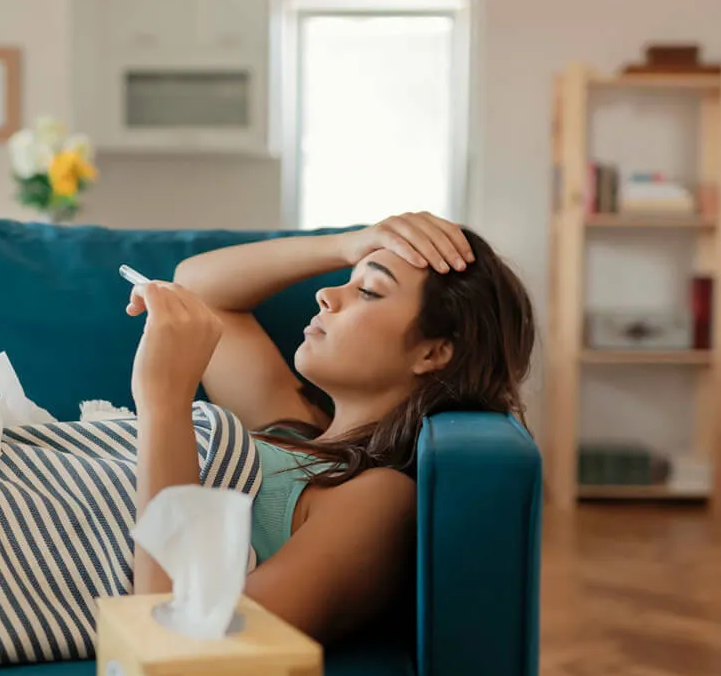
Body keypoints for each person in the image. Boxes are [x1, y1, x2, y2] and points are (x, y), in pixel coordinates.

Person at [126, 212, 536, 642]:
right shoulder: (289, 427)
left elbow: (184, 638)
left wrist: (165, 402)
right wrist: (350, 244)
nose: (324, 294)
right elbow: (196, 287)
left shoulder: (373, 495)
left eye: (369, 291)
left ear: (433, 353)